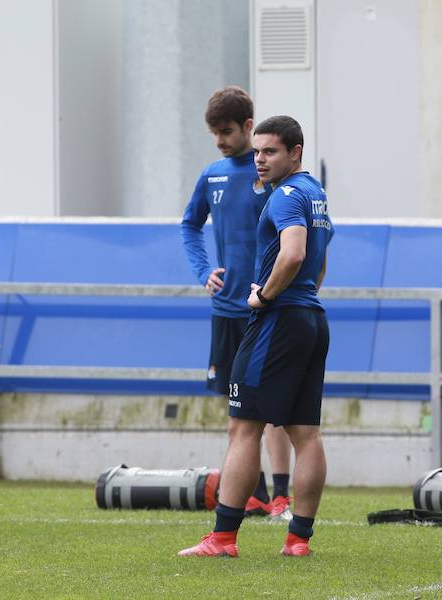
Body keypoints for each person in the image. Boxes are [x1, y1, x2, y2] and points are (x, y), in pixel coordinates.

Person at [180, 115, 333, 558]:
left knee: (244, 427)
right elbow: (319, 264)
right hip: (311, 319)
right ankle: (298, 540)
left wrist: (264, 297)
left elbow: (295, 253)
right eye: (259, 151)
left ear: (295, 153)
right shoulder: (316, 194)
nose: (260, 160)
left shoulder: (285, 195)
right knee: (306, 433)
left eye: (270, 152)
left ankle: (222, 538)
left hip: (279, 320)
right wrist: (298, 297)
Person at [181, 86, 294, 521]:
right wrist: (202, 270)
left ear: (248, 126)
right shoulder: (212, 176)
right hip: (227, 311)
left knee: (276, 410)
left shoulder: (273, 175)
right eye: (214, 133)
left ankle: (281, 495)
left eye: (226, 131)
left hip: (269, 309)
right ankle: (256, 494)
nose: (220, 141)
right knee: (237, 413)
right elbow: (190, 225)